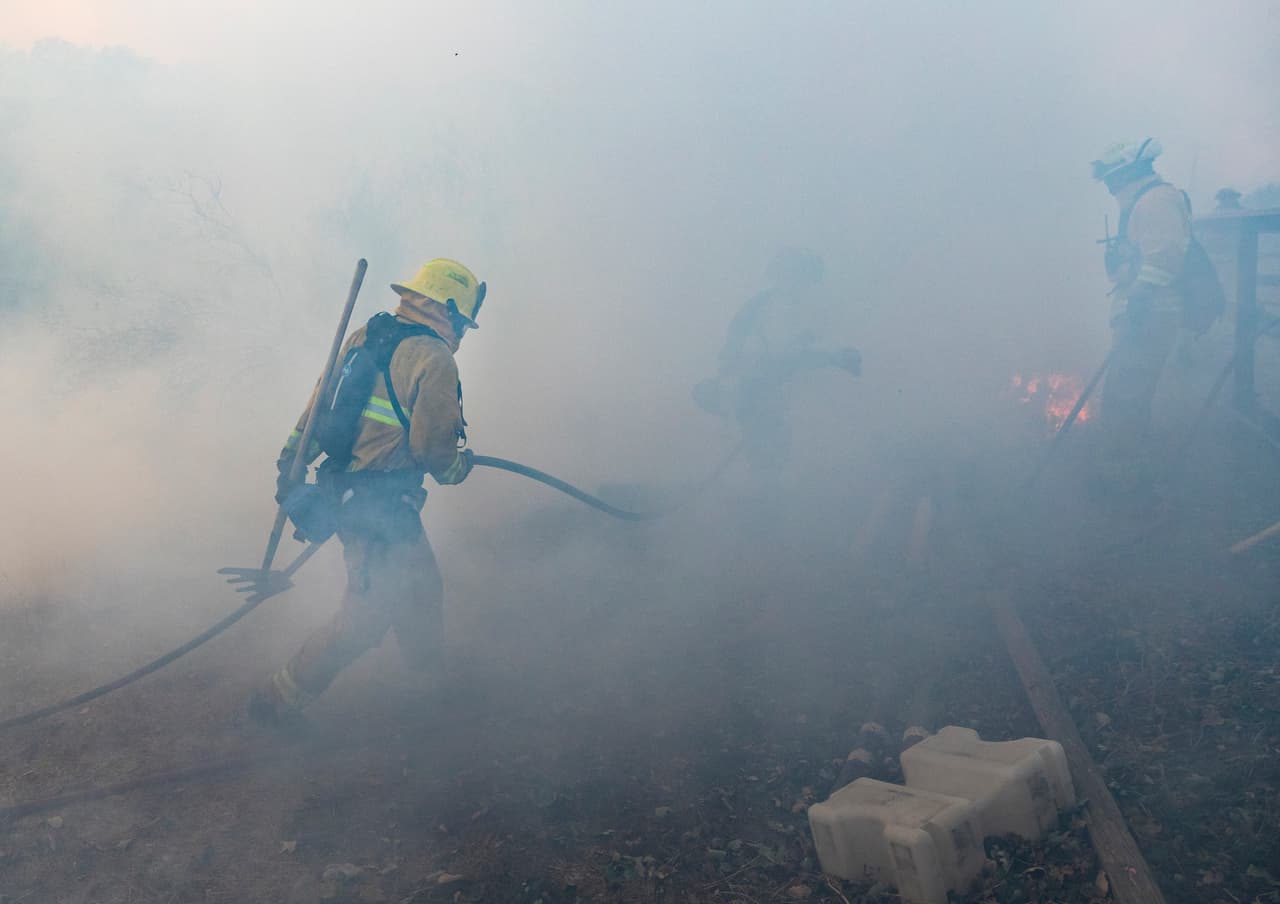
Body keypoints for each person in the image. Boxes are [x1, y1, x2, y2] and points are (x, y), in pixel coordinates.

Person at [248, 258, 484, 725]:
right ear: (450, 311)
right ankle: (274, 704)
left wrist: (289, 465)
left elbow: (318, 411)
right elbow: (434, 449)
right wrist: (459, 467)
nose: (463, 331)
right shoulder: (434, 358)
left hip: (352, 496)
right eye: (463, 321)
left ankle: (427, 694)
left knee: (420, 591)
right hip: (378, 507)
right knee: (366, 617)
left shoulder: (362, 339)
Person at [694, 248, 861, 480]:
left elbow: (787, 353)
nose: (810, 287)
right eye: (806, 279)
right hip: (755, 391)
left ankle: (765, 493)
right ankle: (763, 501)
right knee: (768, 459)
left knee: (769, 456)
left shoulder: (773, 305)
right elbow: (782, 355)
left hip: (756, 392)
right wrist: (834, 357)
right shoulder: (775, 307)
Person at [1090, 139, 1190, 503]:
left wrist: (1139, 299)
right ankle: (1123, 469)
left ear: (1130, 171)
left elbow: (1165, 260)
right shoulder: (1141, 203)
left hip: (1148, 315)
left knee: (1126, 396)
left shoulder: (1155, 201)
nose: (1111, 186)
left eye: (1113, 178)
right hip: (1140, 313)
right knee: (1125, 393)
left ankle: (1122, 483)